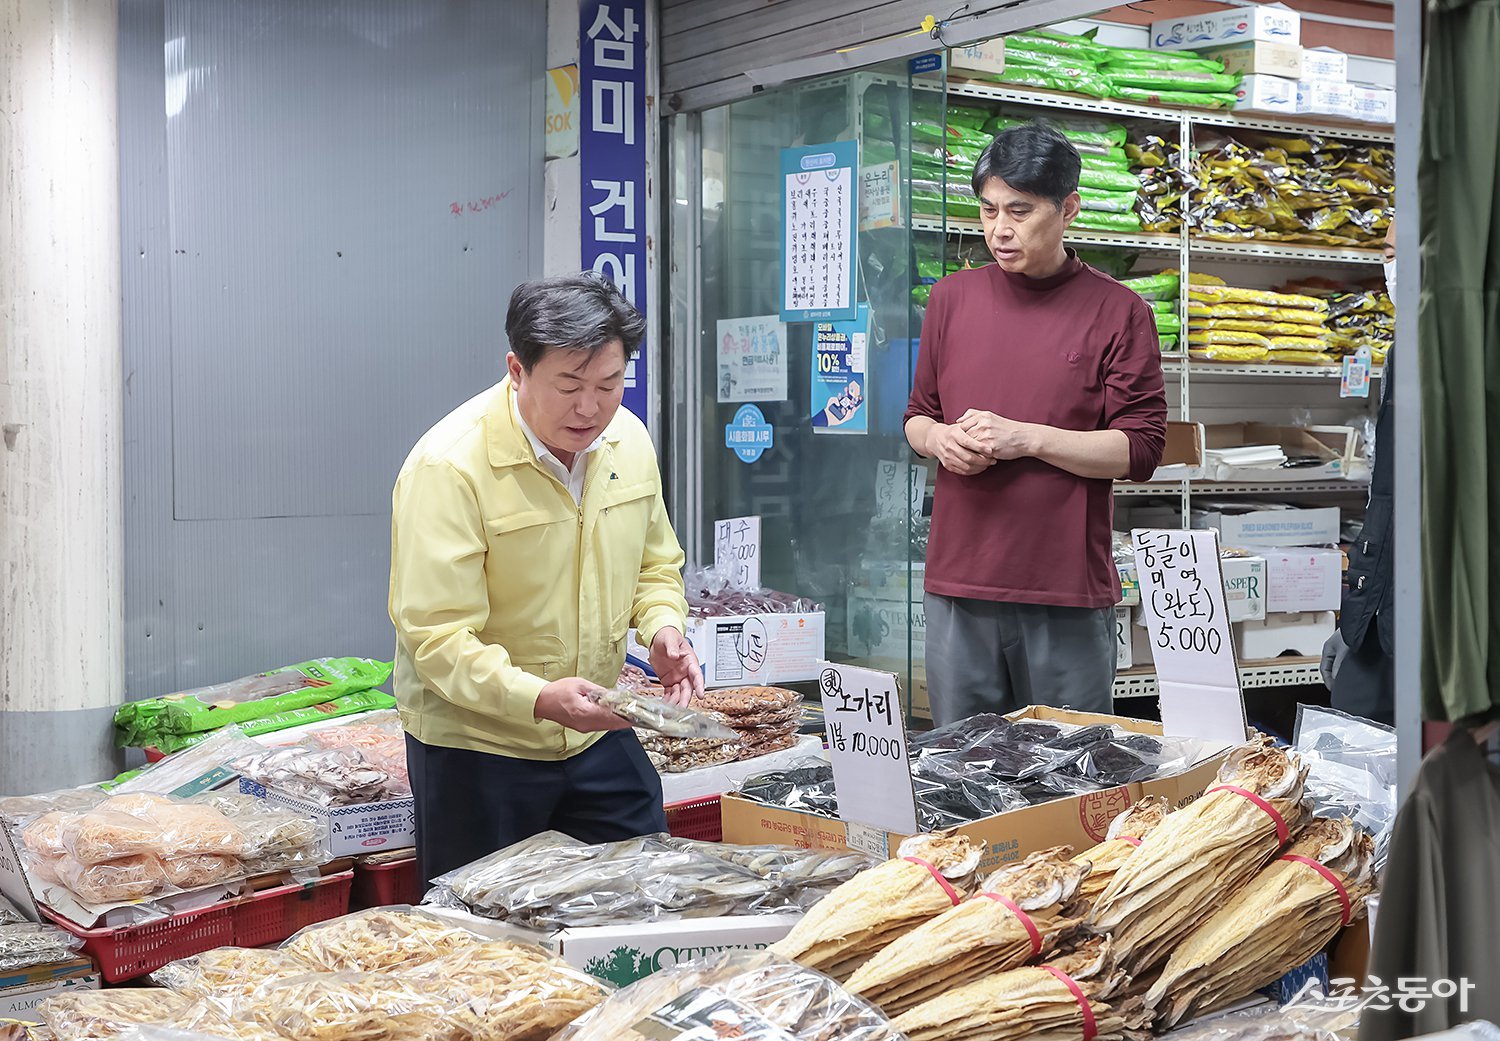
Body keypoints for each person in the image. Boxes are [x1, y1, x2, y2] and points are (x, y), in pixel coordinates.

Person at [388, 272, 704, 878]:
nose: (590, 407)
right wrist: (539, 699)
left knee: (646, 892)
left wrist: (664, 628)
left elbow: (655, 564)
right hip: (479, 747)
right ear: (517, 369)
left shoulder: (628, 441)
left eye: (609, 384)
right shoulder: (449, 467)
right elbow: (437, 637)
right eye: (568, 385)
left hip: (595, 730)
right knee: (483, 923)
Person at [904, 123, 1167, 726]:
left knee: (1069, 766)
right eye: (988, 209)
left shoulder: (1119, 311)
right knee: (959, 765)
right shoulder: (950, 299)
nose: (1000, 228)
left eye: (1019, 211)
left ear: (1068, 208)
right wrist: (940, 440)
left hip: (1064, 590)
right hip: (959, 584)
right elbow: (918, 416)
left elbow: (1141, 449)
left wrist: (1027, 438)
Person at [1321, 218, 1397, 725]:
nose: (1391, 267)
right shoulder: (1404, 349)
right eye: (1386, 254)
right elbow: (1388, 498)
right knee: (1352, 745)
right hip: (1384, 608)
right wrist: (1357, 618)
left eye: (1401, 252)